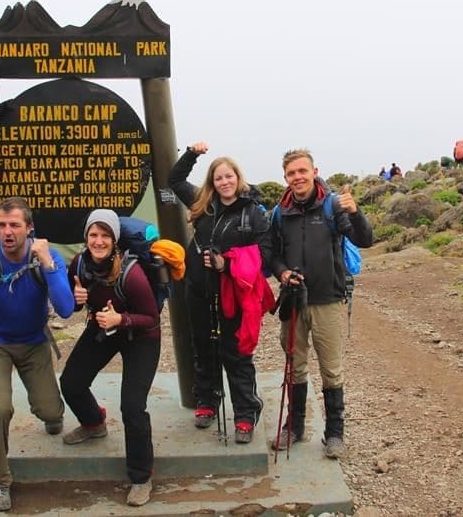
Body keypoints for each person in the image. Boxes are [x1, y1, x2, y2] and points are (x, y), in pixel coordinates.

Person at [0, 197, 74, 512]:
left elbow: (65, 309)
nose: (7, 232)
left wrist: (49, 266)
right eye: (2, 226)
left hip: (34, 342)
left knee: (51, 411)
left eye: (15, 225)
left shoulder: (46, 257)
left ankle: (52, 413)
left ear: (29, 229)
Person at [268, 148, 373, 459]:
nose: (297, 177)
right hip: (293, 301)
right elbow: (271, 254)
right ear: (285, 177)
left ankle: (334, 433)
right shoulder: (279, 213)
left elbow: (366, 239)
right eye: (291, 173)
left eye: (302, 171)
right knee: (294, 366)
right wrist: (282, 272)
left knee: (331, 369)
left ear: (314, 171)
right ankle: (296, 427)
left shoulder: (333, 205)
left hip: (327, 299)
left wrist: (355, 213)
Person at [168, 142, 273, 445]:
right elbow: (174, 180)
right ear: (212, 182)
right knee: (203, 347)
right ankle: (207, 401)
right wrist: (191, 154)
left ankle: (244, 414)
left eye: (229, 177)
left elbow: (265, 253)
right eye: (218, 178)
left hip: (234, 294)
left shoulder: (253, 213)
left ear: (238, 178)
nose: (224, 182)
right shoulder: (202, 204)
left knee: (236, 353)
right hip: (199, 291)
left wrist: (226, 262)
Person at [59, 210, 160, 508]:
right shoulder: (79, 262)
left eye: (105, 235)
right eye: (93, 235)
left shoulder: (132, 273)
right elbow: (72, 304)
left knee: (132, 405)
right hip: (103, 326)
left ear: (114, 240)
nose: (99, 241)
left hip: (141, 336)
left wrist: (121, 318)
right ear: (86, 237)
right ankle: (94, 423)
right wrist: (75, 298)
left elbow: (152, 318)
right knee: (71, 382)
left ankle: (141, 477)